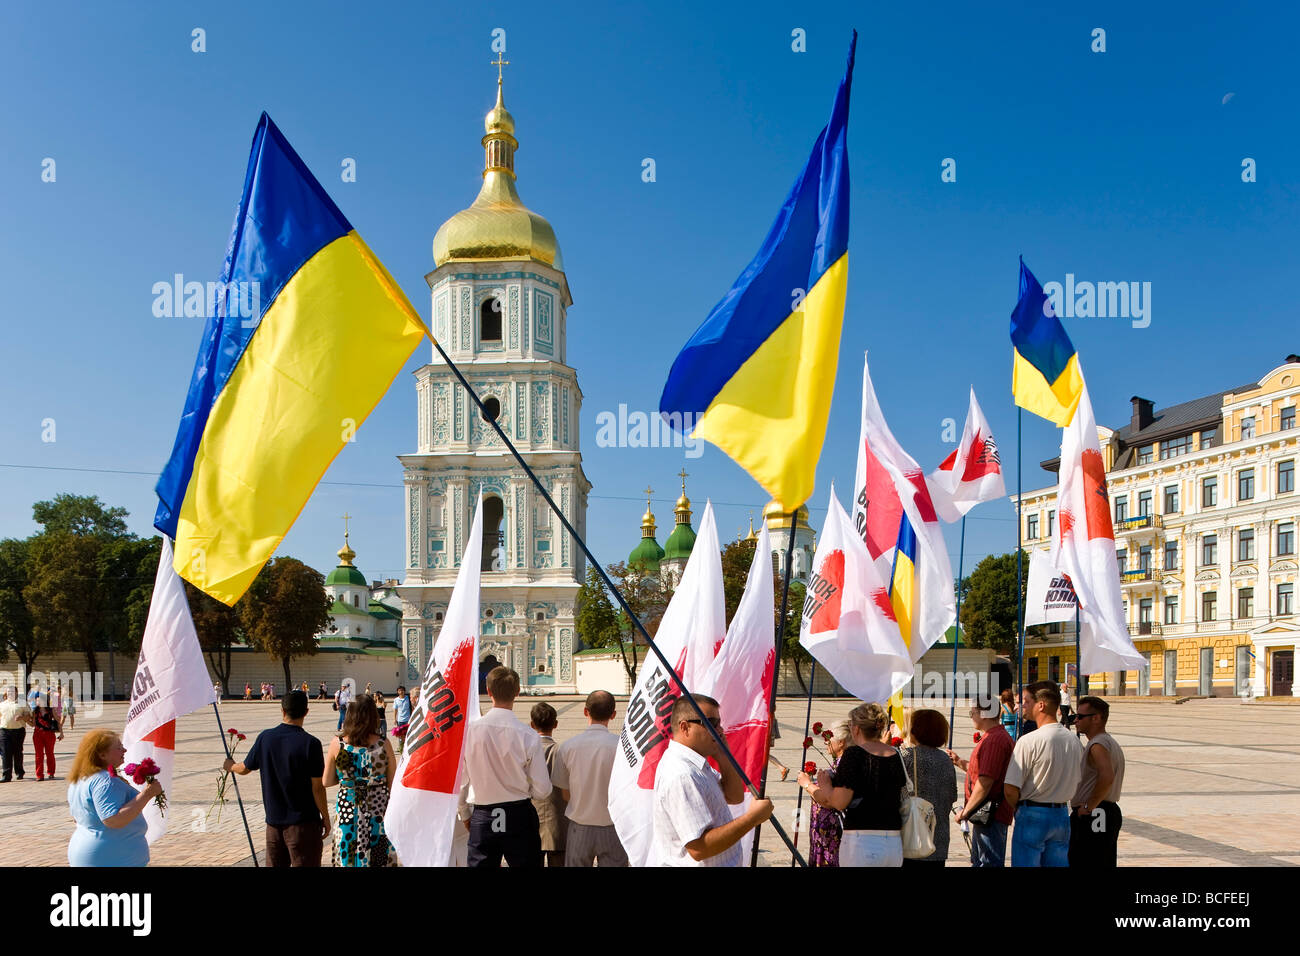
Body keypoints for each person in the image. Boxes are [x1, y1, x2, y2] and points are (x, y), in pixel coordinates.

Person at [652, 694, 773, 866]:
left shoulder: (696, 763)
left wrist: (723, 755)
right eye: (711, 723)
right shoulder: (683, 774)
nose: (720, 730)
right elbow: (699, 848)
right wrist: (752, 818)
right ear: (685, 727)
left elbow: (734, 796)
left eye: (719, 723)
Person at [458, 667, 552, 867]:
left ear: (488, 691)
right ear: (517, 692)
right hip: (519, 814)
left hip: (483, 814)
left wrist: (464, 813)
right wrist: (523, 791)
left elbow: (461, 783)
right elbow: (543, 790)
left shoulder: (470, 733)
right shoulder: (528, 735)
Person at [224, 690, 330, 867]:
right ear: (306, 712)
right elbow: (317, 787)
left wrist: (230, 766)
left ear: (282, 711)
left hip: (273, 824)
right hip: (303, 825)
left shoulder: (265, 738)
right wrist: (325, 816)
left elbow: (244, 768)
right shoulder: (311, 743)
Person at [799, 702, 906, 867]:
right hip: (893, 841)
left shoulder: (854, 754)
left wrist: (825, 785)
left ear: (856, 728)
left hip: (862, 840)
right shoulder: (895, 754)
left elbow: (839, 802)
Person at [1003, 682, 1082, 867]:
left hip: (1033, 812)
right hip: (1061, 813)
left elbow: (1010, 788)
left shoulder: (1029, 740)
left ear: (1041, 705)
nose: (1022, 706)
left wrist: (1019, 807)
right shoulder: (1074, 741)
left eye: (1026, 701)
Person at [552, 690, 627, 867]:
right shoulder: (622, 748)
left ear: (586, 711)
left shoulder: (568, 747)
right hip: (613, 826)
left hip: (580, 826)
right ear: (613, 714)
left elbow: (564, 793)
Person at [66, 729, 162, 866]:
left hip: (92, 852)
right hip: (110, 858)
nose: (124, 750)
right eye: (118, 747)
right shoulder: (105, 781)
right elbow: (113, 820)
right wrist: (147, 794)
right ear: (102, 754)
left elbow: (79, 817)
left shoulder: (81, 778)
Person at [324, 694, 395, 867]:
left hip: (348, 806)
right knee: (379, 853)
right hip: (378, 808)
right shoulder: (383, 744)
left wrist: (347, 779)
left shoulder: (337, 744)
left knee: (347, 852)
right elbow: (392, 782)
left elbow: (326, 781)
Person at [949, 702, 1015, 866]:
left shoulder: (994, 740)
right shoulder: (993, 736)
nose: (971, 717)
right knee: (981, 861)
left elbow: (985, 782)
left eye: (973, 713)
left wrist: (965, 811)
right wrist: (959, 762)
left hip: (991, 814)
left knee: (987, 863)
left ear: (984, 714)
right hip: (987, 814)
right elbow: (981, 771)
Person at [896, 708, 958, 866]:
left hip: (911, 837)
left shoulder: (907, 756)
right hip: (937, 839)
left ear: (915, 730)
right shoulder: (946, 759)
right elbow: (952, 796)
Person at [1069, 695, 1125, 867]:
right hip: (1104, 811)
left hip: (1096, 813)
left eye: (1080, 716)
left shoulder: (1098, 744)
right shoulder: (1109, 742)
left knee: (1086, 860)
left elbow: (1107, 777)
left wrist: (1088, 806)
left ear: (1096, 718)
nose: (1075, 720)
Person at [529, 701, 567, 866]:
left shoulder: (526, 750)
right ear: (556, 724)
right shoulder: (562, 751)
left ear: (531, 724)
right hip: (558, 821)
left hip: (531, 821)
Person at [807, 719, 849, 867]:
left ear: (842, 742)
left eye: (829, 738)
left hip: (832, 837)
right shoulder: (839, 761)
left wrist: (808, 785)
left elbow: (828, 801)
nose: (825, 742)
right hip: (826, 836)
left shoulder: (845, 764)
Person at [0, 687, 33, 782]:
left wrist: (22, 717)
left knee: (17, 752)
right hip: (4, 731)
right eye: (9, 691)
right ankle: (6, 775)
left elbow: (29, 716)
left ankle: (19, 772)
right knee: (6, 753)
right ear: (6, 693)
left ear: (17, 693)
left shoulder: (22, 703)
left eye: (13, 691)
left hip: (18, 731)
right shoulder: (2, 704)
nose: (11, 693)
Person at [31, 694, 64, 781]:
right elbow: (33, 724)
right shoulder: (35, 711)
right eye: (36, 700)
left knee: (49, 753)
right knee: (39, 755)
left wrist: (61, 733)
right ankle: (39, 775)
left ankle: (51, 772)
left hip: (49, 734)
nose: (37, 702)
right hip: (37, 734)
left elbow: (58, 720)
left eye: (39, 700)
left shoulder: (51, 710)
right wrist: (25, 718)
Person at [391, 685, 412, 757]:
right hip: (400, 720)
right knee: (400, 735)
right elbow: (395, 710)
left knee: (408, 734)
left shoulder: (408, 698)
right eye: (399, 690)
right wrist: (395, 719)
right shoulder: (396, 700)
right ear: (397, 692)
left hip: (408, 719)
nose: (401, 692)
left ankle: (408, 747)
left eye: (402, 690)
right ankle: (401, 749)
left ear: (404, 691)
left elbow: (411, 707)